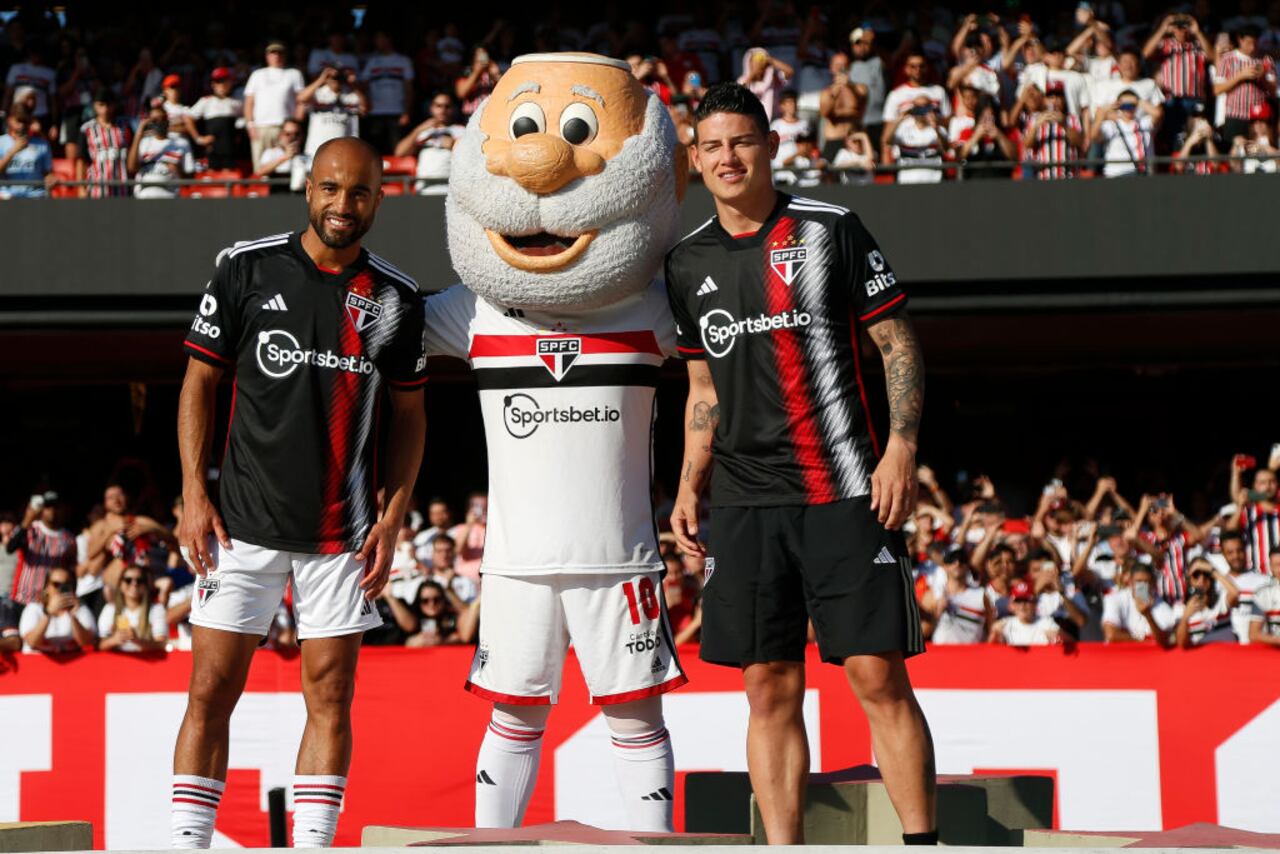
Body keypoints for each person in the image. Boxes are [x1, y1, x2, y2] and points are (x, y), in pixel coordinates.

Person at [666, 82, 935, 845]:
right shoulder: (685, 262)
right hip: (745, 501)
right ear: (695, 159)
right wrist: (688, 484)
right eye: (712, 146)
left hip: (842, 487)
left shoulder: (831, 228)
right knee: (768, 686)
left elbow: (897, 344)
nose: (728, 157)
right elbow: (702, 388)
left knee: (877, 675)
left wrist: (902, 447)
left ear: (772, 146)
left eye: (742, 141)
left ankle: (924, 843)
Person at [427, 53, 689, 834]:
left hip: (621, 558)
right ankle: (490, 847)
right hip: (515, 561)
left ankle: (653, 847)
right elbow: (372, 329)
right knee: (514, 714)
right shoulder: (474, 311)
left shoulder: (653, 306)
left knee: (635, 716)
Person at [171, 136, 427, 849]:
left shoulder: (395, 297)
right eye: (331, 188)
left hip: (342, 533)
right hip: (239, 523)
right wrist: (193, 491)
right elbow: (198, 381)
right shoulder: (246, 267)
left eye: (360, 192)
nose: (344, 204)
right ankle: (187, 843)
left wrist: (392, 518)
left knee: (332, 695)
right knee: (209, 690)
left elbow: (410, 416)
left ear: (379, 199)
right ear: (308, 189)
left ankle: (312, 845)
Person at [7, 492, 77, 607]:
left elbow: (71, 571)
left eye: (56, 507)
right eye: (48, 507)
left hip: (50, 602)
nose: (52, 511)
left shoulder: (69, 539)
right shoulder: (31, 529)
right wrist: (27, 520)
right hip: (22, 598)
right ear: (41, 509)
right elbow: (10, 547)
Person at [244, 41, 304, 171]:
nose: (277, 56)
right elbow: (249, 102)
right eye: (273, 53)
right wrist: (250, 125)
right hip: (260, 127)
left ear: (285, 55)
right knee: (260, 168)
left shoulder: (294, 73)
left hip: (286, 130)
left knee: (288, 165)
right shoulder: (257, 74)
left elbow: (301, 101)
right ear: (267, 56)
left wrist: (296, 125)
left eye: (280, 53)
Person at [393, 91, 463, 194]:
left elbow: (473, 157)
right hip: (424, 189)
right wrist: (418, 130)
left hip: (449, 189)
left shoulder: (461, 130)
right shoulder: (423, 131)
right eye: (438, 106)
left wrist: (454, 145)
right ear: (431, 108)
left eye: (447, 106)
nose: (443, 110)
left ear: (453, 109)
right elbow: (399, 152)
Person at [922, 546, 991, 644]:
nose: (957, 563)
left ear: (967, 566)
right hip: (941, 651)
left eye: (962, 560)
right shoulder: (931, 596)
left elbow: (990, 630)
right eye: (951, 560)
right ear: (945, 566)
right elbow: (922, 633)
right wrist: (937, 614)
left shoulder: (981, 595)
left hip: (972, 652)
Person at [19, 566, 96, 653]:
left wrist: (72, 616)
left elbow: (86, 642)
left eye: (66, 584)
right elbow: (32, 642)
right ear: (47, 587)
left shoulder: (80, 609)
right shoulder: (33, 609)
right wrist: (48, 614)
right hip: (37, 660)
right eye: (56, 584)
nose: (61, 589)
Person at [128, 101, 196, 200]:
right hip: (144, 197)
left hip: (170, 198)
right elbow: (131, 168)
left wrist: (178, 171)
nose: (159, 123)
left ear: (168, 120)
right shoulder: (143, 142)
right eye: (155, 120)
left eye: (162, 119)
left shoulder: (182, 143)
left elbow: (190, 180)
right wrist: (139, 132)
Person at [361, 31, 414, 154]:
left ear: (388, 39)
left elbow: (409, 88)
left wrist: (407, 111)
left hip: (397, 112)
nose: (377, 42)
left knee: (397, 150)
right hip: (375, 112)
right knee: (374, 150)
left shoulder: (403, 60)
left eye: (380, 38)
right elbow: (363, 86)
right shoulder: (372, 61)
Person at [299, 64, 367, 157]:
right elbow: (301, 98)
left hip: (345, 150)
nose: (335, 80)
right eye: (331, 77)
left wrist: (352, 84)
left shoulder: (351, 94)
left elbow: (366, 107)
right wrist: (321, 79)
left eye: (339, 77)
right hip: (317, 148)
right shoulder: (319, 93)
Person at [76, 88, 132, 198]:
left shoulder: (125, 126)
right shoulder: (87, 129)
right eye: (101, 105)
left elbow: (132, 155)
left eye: (109, 105)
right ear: (94, 106)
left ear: (114, 105)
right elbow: (81, 161)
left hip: (123, 189)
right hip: (97, 190)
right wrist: (81, 188)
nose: (105, 109)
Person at [1101, 563, 1175, 647]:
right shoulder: (1114, 599)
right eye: (1138, 581)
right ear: (1130, 582)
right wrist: (1143, 641)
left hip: (1147, 654)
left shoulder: (1162, 607)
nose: (1142, 586)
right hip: (1119, 653)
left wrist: (1148, 615)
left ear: (1153, 584)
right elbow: (1111, 635)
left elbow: (1164, 641)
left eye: (1146, 582)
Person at [1089, 88, 1158, 177]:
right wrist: (1106, 109)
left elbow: (1158, 114)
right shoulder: (1111, 125)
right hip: (1116, 174)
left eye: (1131, 105)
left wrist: (1138, 101)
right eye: (1124, 106)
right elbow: (1093, 136)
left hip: (1142, 175)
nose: (1128, 109)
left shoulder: (1143, 123)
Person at [98, 568, 168, 652]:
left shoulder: (157, 609)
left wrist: (137, 640)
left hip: (147, 659)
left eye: (139, 581)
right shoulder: (110, 609)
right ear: (120, 584)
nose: (134, 584)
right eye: (128, 580)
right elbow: (100, 645)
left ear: (145, 585)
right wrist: (114, 640)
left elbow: (161, 645)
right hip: (118, 659)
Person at [1175, 557, 1237, 647]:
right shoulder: (1180, 608)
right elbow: (1181, 643)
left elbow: (1235, 594)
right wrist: (1185, 618)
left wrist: (1212, 570)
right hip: (1201, 655)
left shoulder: (1221, 599)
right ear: (1189, 579)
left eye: (1206, 574)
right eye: (1196, 575)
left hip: (1227, 654)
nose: (1202, 579)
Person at [189, 67, 243, 170]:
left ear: (231, 83)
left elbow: (246, 118)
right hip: (212, 150)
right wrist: (198, 138)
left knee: (229, 175)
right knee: (211, 174)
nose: (222, 85)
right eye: (218, 82)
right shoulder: (205, 101)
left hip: (230, 150)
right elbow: (188, 118)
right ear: (213, 84)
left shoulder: (236, 103)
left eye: (225, 81)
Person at [0, 105, 56, 198]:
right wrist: (12, 152)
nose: (22, 125)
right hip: (8, 197)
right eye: (19, 121)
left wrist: (51, 179)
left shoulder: (42, 144)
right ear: (9, 120)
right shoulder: (1, 142)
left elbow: (47, 173)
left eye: (25, 121)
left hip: (36, 196)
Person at [990, 579, 1060, 645]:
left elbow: (1063, 640)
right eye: (1018, 601)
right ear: (1012, 605)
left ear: (1035, 604)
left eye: (1027, 601)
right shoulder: (1005, 625)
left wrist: (1057, 636)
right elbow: (990, 649)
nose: (1022, 605)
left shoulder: (1047, 623)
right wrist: (994, 634)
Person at [738, 47, 793, 120]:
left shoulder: (773, 79)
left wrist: (771, 61)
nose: (759, 66)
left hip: (773, 120)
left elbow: (790, 71)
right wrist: (753, 73)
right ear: (749, 64)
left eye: (761, 63)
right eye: (755, 63)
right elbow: (739, 93)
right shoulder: (743, 80)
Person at [1246, 548, 1280, 645]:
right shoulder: (1263, 594)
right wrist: (1277, 641)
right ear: (1271, 567)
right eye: (1277, 565)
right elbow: (1253, 634)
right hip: (1273, 651)